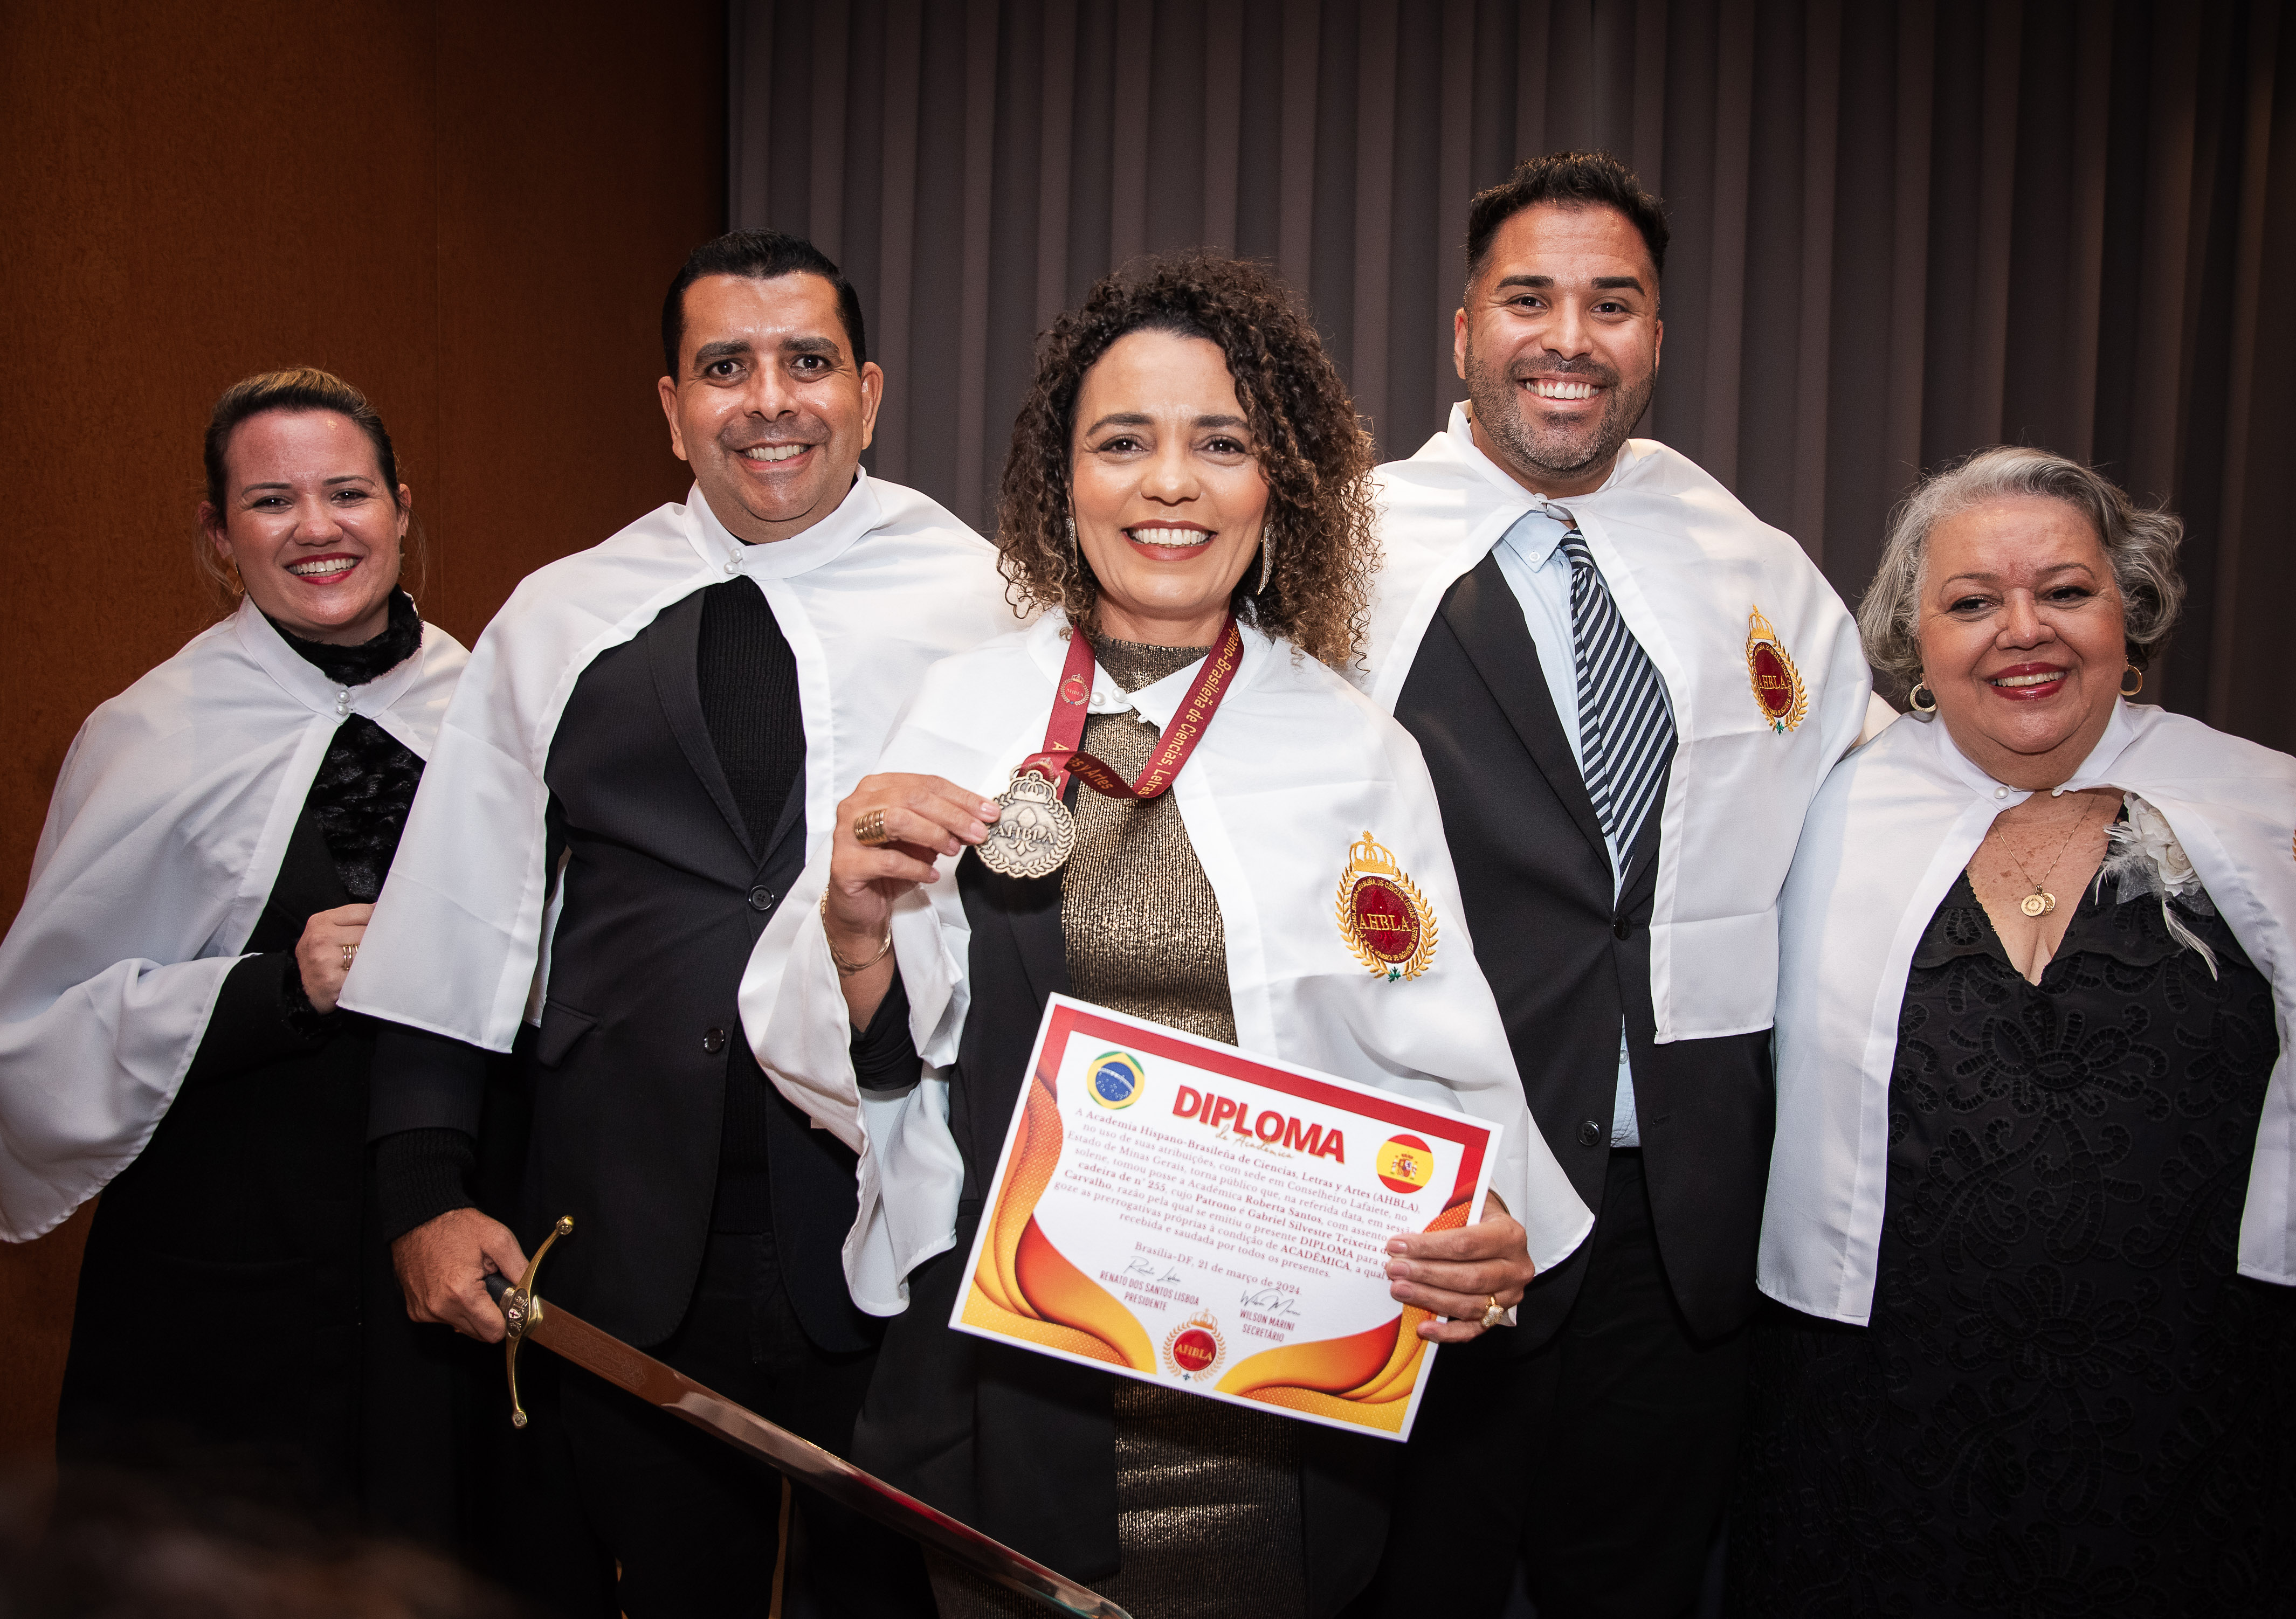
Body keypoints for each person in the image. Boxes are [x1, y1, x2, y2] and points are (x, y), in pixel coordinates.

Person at [748, 253, 1590, 1619]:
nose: (1170, 485)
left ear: (1282, 482)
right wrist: (850, 924)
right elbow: (869, 1065)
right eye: (1122, 442)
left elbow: (1443, 1069)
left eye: (1222, 443)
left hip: (1280, 1391)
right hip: (1019, 1375)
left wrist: (1484, 1226)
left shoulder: (1354, 747)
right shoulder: (960, 711)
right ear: (1059, 480)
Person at [336, 231, 1015, 1616]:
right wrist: (424, 1185)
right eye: (725, 367)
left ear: (871, 393)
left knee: (892, 1597)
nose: (769, 399)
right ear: (670, 407)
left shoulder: (991, 602)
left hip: (907, 1211)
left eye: (807, 362)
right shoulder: (563, 613)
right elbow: (457, 907)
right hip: (630, 1226)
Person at [1734, 447, 2296, 1615]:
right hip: (1885, 1425)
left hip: (2208, 1417)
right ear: (1917, 635)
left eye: (2065, 589)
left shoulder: (2279, 811)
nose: (2024, 630)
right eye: (1971, 601)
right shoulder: (1822, 815)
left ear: (2128, 610)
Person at [1344, 153, 1883, 1616]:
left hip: (1679, 1220)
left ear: (1655, 337)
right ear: (1462, 331)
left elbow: (1874, 806)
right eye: (1529, 297)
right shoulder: (1336, 549)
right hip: (1432, 1214)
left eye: (1612, 303)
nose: (1568, 338)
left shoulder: (1753, 561)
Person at [0, 369, 470, 1528]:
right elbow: (38, 1032)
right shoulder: (150, 732)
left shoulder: (489, 705)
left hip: (439, 1273)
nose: (317, 527)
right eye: (271, 500)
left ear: (402, 510)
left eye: (347, 492)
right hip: (221, 1289)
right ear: (219, 537)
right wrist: (280, 986)